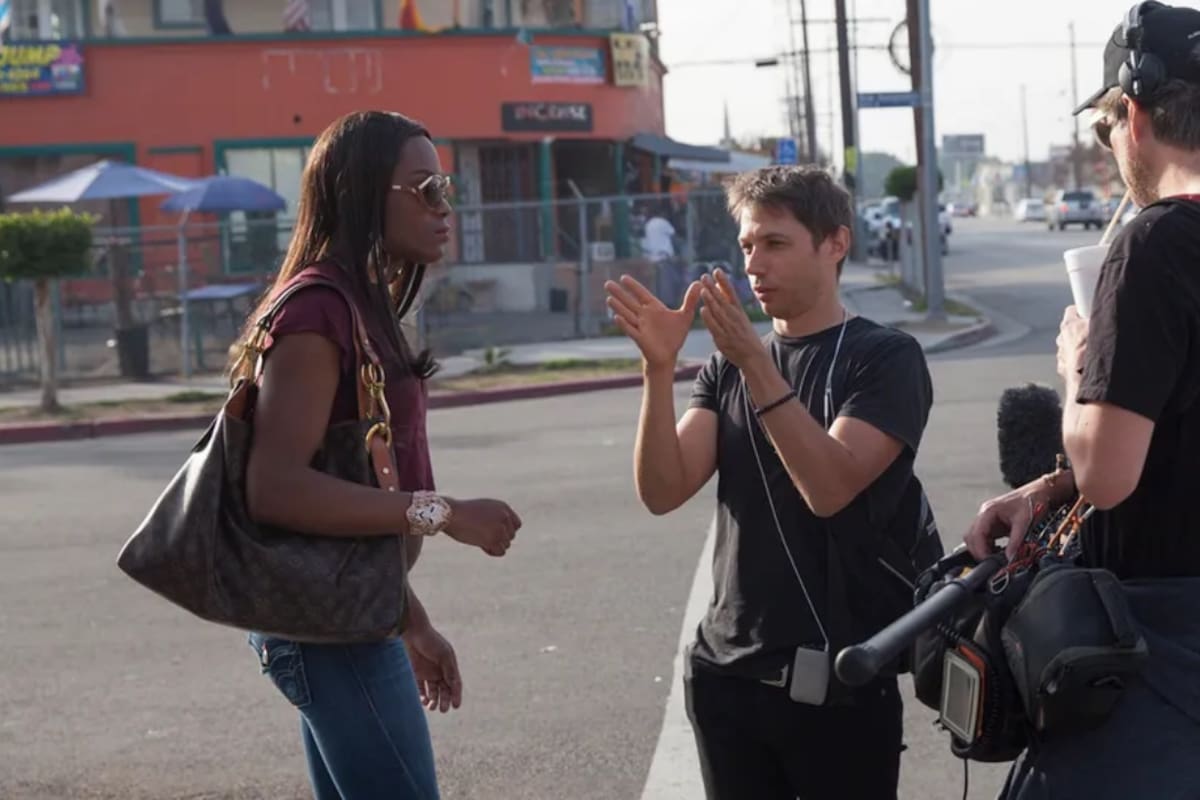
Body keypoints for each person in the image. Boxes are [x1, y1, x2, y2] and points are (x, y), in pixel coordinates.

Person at [604, 166, 934, 800]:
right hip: (724, 677)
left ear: (835, 243)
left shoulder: (883, 358)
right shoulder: (727, 366)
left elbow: (830, 488)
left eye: (775, 243)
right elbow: (663, 490)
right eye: (748, 245)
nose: (754, 264)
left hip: (837, 682)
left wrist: (757, 363)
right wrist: (658, 369)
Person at [237, 110, 522, 800]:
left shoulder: (358, 308)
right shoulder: (317, 313)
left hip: (349, 615)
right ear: (362, 195)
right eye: (425, 189)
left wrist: (410, 620)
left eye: (444, 188)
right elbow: (275, 488)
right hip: (328, 630)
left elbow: (350, 492)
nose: (444, 207)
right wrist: (444, 513)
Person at [964, 3, 1200, 797]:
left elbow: (1108, 475)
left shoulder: (1155, 243)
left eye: (1105, 133)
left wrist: (1078, 369)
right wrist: (1051, 483)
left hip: (1163, 654)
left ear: (1134, 116)